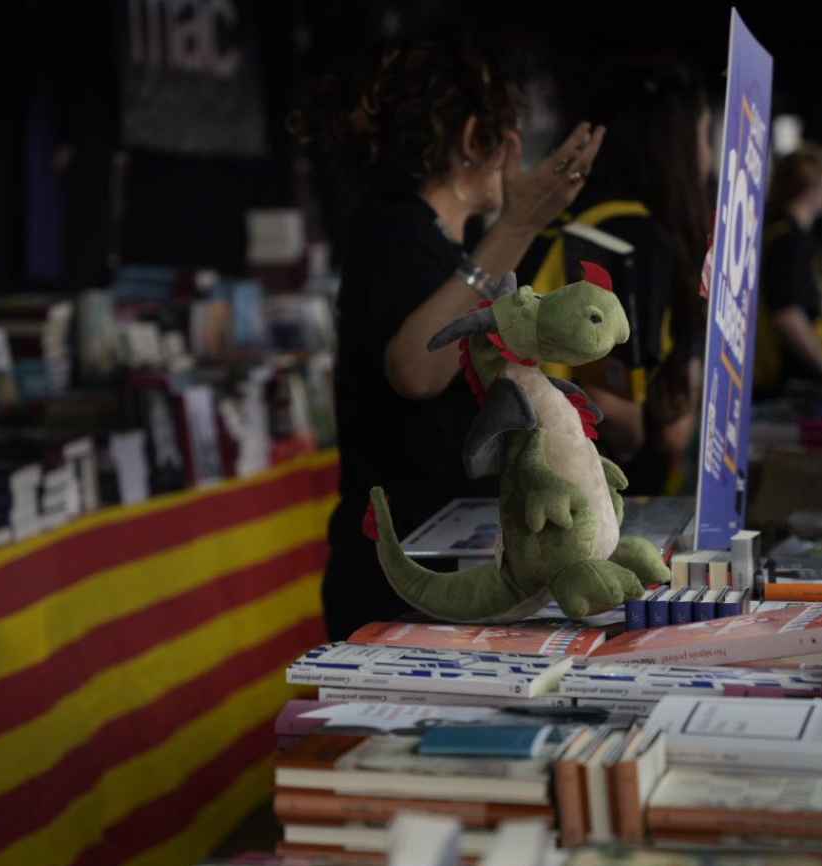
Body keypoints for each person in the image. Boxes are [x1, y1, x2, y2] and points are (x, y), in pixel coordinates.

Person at [294, 34, 606, 643]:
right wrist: (517, 224)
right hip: (401, 575)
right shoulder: (395, 231)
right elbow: (416, 368)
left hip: (440, 564)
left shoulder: (435, 243)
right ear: (473, 140)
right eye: (510, 137)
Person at [517, 61, 712, 495]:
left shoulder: (562, 219)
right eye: (705, 134)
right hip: (596, 491)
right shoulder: (634, 239)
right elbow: (611, 403)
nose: (709, 155)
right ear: (675, 143)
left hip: (523, 468)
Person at [754, 146, 822, 399]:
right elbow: (788, 315)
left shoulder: (783, 234)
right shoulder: (790, 242)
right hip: (786, 382)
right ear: (810, 188)